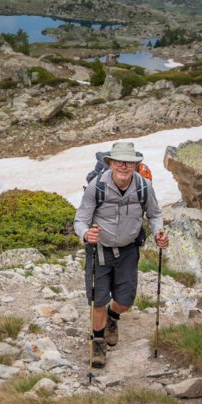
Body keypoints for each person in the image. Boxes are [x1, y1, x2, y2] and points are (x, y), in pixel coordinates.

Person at [75, 139, 168, 369]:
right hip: (99, 250)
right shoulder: (97, 187)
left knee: (125, 300)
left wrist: (158, 233)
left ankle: (112, 318)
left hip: (128, 249)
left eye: (129, 162)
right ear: (111, 163)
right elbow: (80, 220)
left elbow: (155, 215)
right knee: (98, 299)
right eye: (119, 162)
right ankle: (98, 342)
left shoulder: (144, 187)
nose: (124, 166)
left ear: (135, 164)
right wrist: (86, 234)